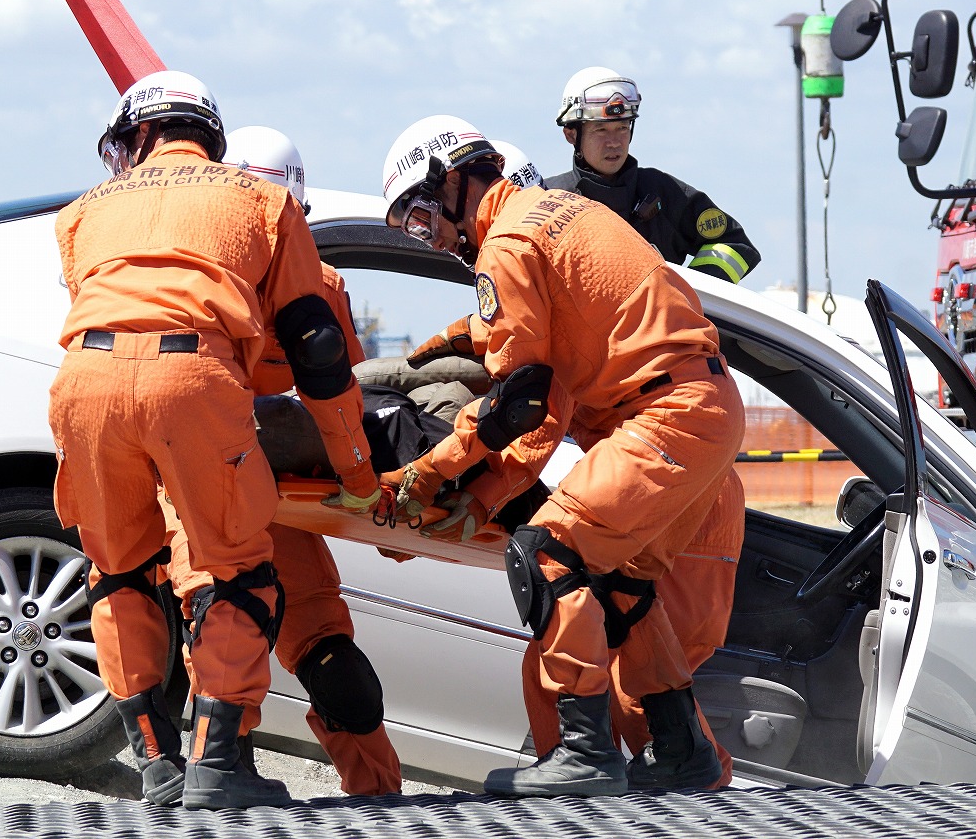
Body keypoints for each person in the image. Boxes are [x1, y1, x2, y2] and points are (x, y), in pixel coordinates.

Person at [377, 115, 746, 797]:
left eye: (426, 220)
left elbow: (518, 401)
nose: (437, 241)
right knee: (622, 581)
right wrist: (481, 498)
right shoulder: (556, 214)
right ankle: (682, 749)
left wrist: (422, 476)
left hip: (664, 412)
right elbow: (546, 414)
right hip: (700, 406)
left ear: (455, 179)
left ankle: (585, 752)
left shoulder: (507, 243)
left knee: (547, 550)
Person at [47, 71, 378, 811]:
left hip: (83, 380)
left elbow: (107, 302)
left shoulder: (80, 212)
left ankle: (156, 761)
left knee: (118, 569)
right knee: (235, 574)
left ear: (139, 136)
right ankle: (217, 762)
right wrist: (355, 467)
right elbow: (317, 345)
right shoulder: (263, 202)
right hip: (194, 379)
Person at [160, 125, 403, 796]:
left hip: (231, 492)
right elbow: (343, 400)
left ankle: (208, 775)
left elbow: (342, 398)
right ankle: (212, 775)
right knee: (250, 633)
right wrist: (367, 487)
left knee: (309, 655)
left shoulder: (185, 272)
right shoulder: (313, 284)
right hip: (232, 491)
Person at [543, 67, 761, 285]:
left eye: (622, 127)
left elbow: (735, 246)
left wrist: (687, 294)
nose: (615, 142)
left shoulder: (664, 192)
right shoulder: (547, 200)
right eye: (601, 130)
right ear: (571, 135)